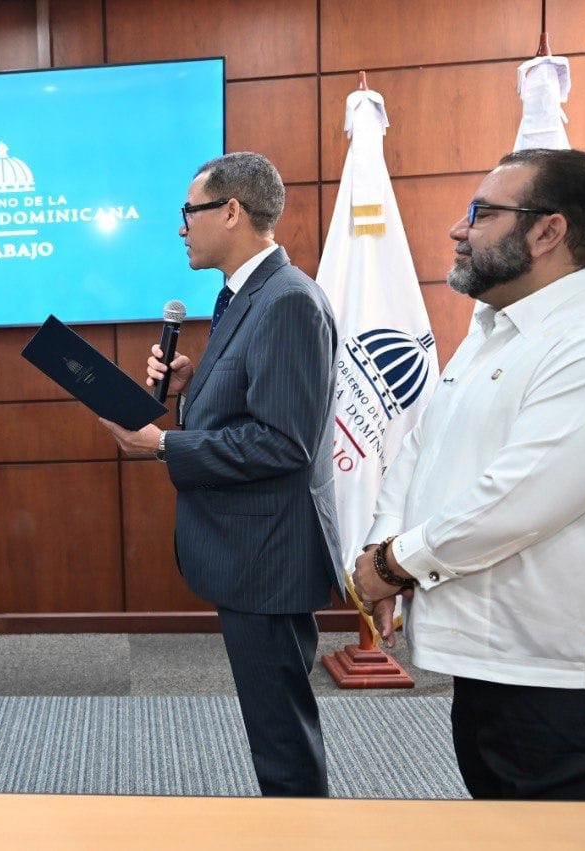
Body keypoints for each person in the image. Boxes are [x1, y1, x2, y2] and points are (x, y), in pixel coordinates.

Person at [354, 148, 585, 801]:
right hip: (497, 656)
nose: (459, 229)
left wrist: (393, 564)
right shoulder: (497, 329)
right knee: (503, 822)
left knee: (566, 837)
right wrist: (380, 548)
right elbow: (423, 448)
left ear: (548, 230)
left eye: (482, 213)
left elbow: (520, 500)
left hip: (569, 677)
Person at [101, 152, 343, 797]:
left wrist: (164, 445)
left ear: (231, 211)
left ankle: (302, 834)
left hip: (269, 554)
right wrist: (191, 390)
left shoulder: (288, 301)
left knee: (281, 733)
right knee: (273, 724)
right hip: (251, 546)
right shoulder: (244, 295)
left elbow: (284, 443)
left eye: (190, 212)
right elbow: (248, 404)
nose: (181, 228)